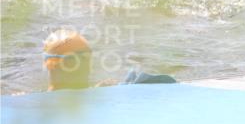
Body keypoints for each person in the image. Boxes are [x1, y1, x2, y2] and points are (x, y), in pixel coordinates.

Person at [43, 29, 175, 91]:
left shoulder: (103, 90)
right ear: (51, 64)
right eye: (73, 60)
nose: (84, 66)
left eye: (87, 58)